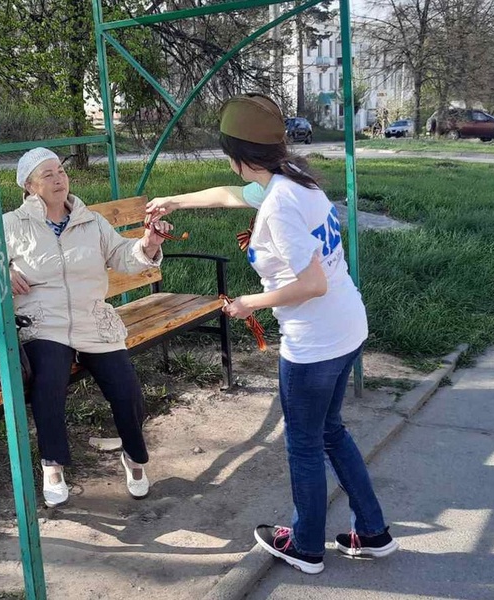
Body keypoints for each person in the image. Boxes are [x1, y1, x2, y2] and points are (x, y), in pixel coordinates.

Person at [145, 94, 397, 574]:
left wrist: (249, 304)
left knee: (304, 443)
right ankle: (374, 532)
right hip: (346, 326)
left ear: (238, 156)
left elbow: (310, 283)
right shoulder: (293, 179)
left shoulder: (280, 204)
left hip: (315, 342)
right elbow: (230, 195)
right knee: (330, 432)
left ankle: (305, 545)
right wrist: (178, 199)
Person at [0, 147, 173, 508]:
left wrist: (148, 244)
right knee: (48, 382)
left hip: (91, 317)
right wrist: (0, 271)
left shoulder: (91, 221)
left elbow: (123, 257)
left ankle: (133, 455)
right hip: (43, 321)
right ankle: (53, 466)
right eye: (47, 174)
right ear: (29, 186)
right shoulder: (11, 225)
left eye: (60, 172)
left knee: (126, 389)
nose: (59, 178)